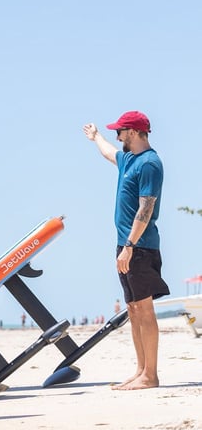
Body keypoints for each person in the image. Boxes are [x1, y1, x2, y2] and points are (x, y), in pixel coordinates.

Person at [83, 111, 169, 390]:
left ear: (132, 132)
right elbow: (109, 153)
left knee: (144, 308)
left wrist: (130, 246)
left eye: (119, 131)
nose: (117, 135)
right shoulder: (129, 159)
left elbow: (146, 208)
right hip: (126, 246)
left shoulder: (150, 163)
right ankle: (140, 370)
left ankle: (151, 375)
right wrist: (96, 136)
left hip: (139, 247)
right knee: (133, 309)